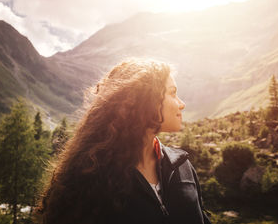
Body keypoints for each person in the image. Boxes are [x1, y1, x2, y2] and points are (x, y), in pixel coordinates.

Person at [36, 58, 212, 224]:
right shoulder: (91, 175)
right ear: (145, 100)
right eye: (172, 93)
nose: (181, 104)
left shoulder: (182, 166)